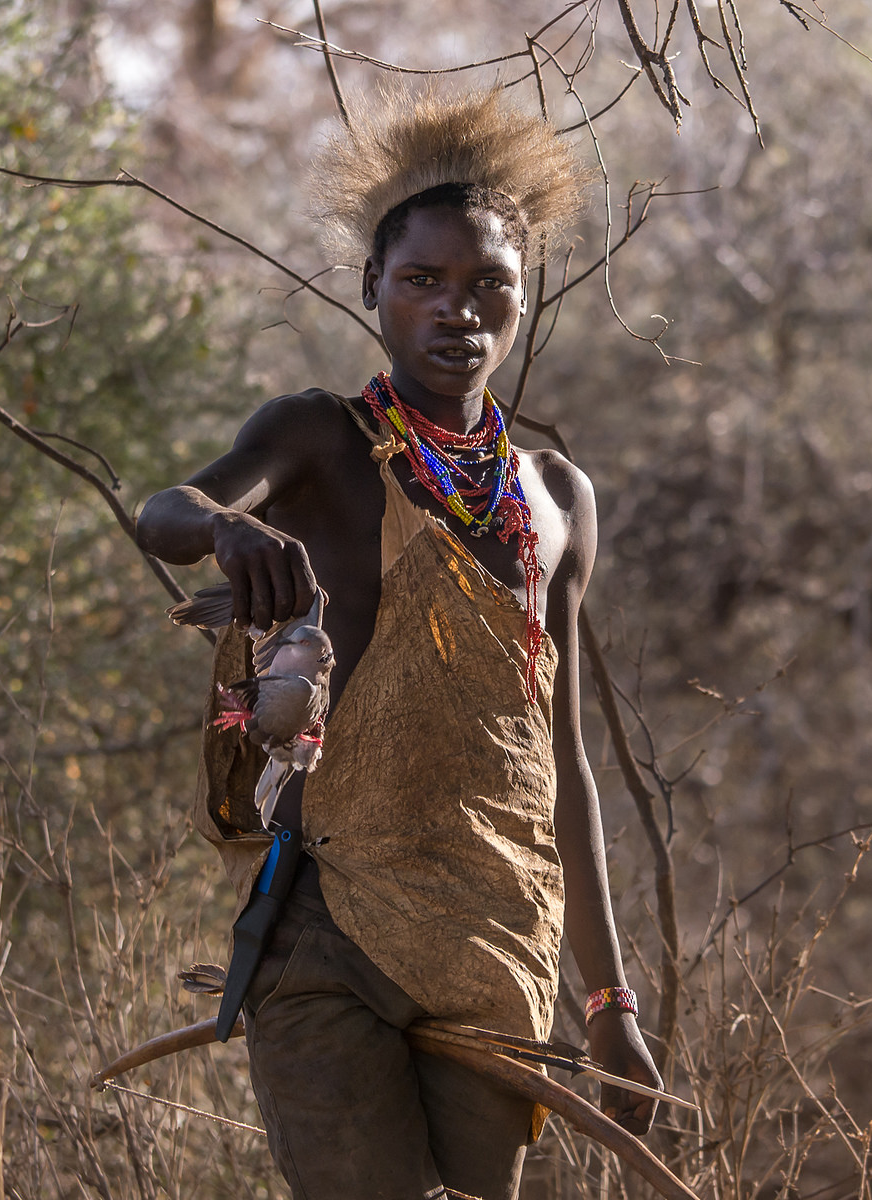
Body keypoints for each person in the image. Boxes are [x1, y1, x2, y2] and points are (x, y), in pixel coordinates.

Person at [136, 88, 663, 1200]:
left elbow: (558, 759)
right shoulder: (319, 438)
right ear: (370, 287)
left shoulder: (556, 499)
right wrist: (228, 525)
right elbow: (165, 513)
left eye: (487, 286)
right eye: (421, 281)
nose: (454, 311)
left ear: (524, 300)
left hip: (497, 937)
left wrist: (610, 1004)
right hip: (327, 929)